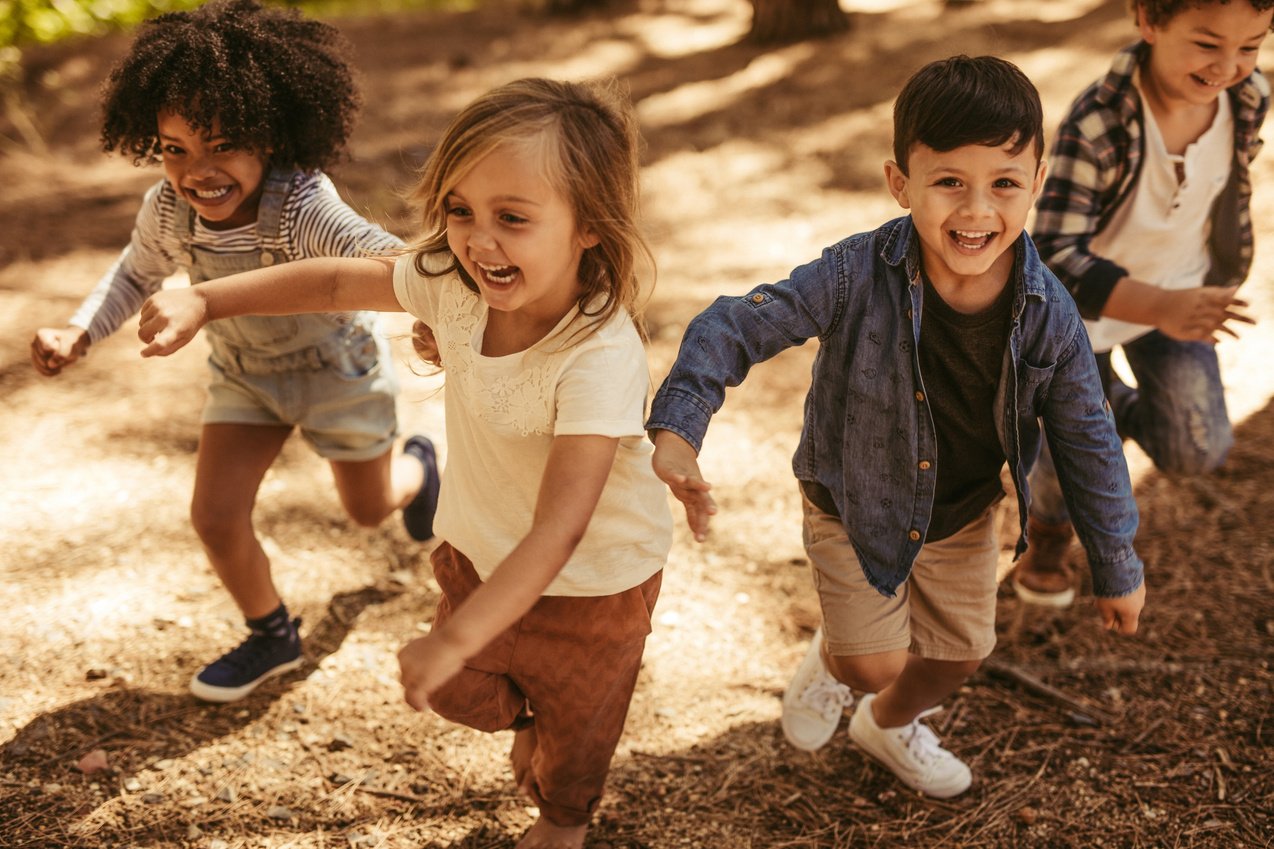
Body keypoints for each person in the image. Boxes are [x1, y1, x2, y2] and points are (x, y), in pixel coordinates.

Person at [134, 77, 673, 849]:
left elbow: (559, 531)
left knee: (579, 738)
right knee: (456, 691)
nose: (478, 240)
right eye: (461, 210)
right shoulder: (454, 284)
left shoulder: (598, 355)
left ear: (589, 225)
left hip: (594, 585)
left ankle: (562, 820)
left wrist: (452, 639)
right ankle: (531, 713)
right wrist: (206, 301)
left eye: (512, 218)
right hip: (478, 549)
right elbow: (327, 277)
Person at [647, 56, 1147, 799]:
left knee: (959, 656)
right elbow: (736, 326)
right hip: (853, 502)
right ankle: (839, 658)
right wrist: (681, 427)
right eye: (949, 182)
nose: (977, 210)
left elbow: (1087, 439)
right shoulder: (854, 273)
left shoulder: (1049, 314)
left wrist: (1116, 561)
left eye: (1004, 184)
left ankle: (886, 722)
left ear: (1037, 182)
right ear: (900, 183)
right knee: (870, 659)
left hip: (964, 511)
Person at [28, 0, 441, 704]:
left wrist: (430, 306)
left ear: (271, 137)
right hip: (244, 379)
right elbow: (135, 272)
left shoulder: (304, 204)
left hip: (336, 372)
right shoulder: (167, 210)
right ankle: (271, 632)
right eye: (175, 148)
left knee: (370, 508)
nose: (198, 169)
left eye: (223, 144)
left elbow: (387, 262)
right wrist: (81, 330)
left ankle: (419, 468)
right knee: (215, 516)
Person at [1015, 0, 1273, 606]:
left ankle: (1099, 418)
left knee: (1196, 449)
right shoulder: (1101, 119)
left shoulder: (1249, 94)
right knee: (1060, 458)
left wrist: (1208, 279)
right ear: (1148, 21)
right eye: (1207, 44)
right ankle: (1047, 532)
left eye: (1251, 46)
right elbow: (1052, 248)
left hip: (1178, 293)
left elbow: (1226, 184)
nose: (1229, 66)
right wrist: (1155, 305)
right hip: (1080, 314)